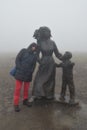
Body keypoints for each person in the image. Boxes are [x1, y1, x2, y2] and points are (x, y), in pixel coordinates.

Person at [30, 26, 62, 101]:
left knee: (50, 80)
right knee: (40, 79)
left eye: (49, 31)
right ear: (43, 33)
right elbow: (36, 55)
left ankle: (49, 94)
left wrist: (65, 58)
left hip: (51, 62)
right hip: (43, 62)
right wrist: (40, 62)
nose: (48, 33)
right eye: (46, 32)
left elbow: (57, 54)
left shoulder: (53, 42)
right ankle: (38, 94)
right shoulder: (40, 43)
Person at [13, 43, 38, 112]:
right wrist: (19, 68)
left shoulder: (34, 56)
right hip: (20, 73)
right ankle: (16, 104)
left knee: (26, 89)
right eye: (33, 46)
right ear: (30, 46)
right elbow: (17, 59)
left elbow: (34, 65)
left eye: (35, 47)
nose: (34, 48)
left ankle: (25, 100)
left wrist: (31, 72)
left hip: (28, 74)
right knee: (18, 89)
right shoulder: (23, 51)